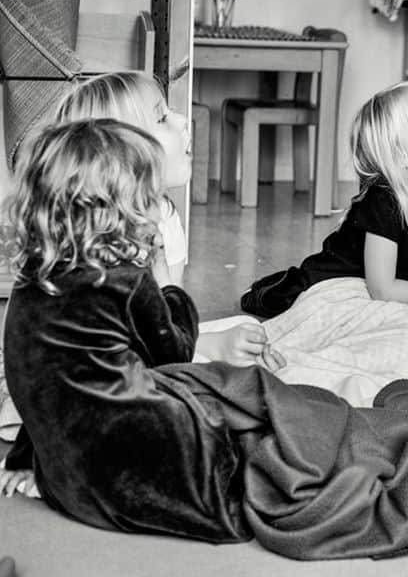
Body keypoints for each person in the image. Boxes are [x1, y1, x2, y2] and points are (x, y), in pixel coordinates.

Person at [0, 118, 408, 555]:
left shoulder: (30, 296)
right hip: (171, 470)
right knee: (296, 423)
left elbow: (44, 389)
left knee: (286, 405)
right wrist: (176, 304)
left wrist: (31, 459)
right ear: (120, 207)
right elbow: (170, 352)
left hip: (80, 483)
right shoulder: (124, 284)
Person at [53, 72, 271, 365]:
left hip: (149, 345)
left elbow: (167, 319)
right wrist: (212, 347)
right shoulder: (101, 242)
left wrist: (208, 342)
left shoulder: (164, 216)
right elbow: (128, 352)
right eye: (161, 118)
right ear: (120, 158)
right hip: (104, 368)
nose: (182, 120)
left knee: (249, 330)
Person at [240, 80, 408, 325]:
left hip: (405, 281)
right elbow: (382, 289)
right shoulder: (384, 201)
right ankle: (262, 291)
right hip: (336, 275)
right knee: (291, 298)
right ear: (400, 154)